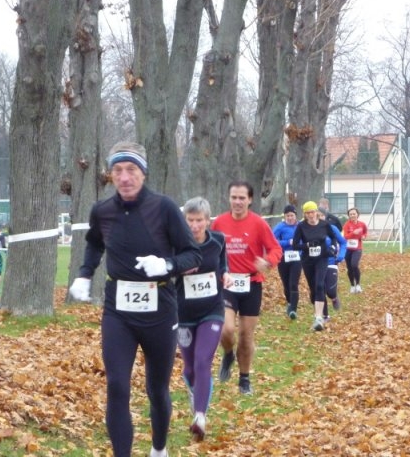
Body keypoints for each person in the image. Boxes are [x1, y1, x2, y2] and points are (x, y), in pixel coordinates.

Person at [68, 141, 202, 457]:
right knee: (117, 385)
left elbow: (193, 255)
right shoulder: (102, 211)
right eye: (118, 170)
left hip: (160, 310)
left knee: (157, 389)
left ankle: (159, 448)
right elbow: (94, 243)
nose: (125, 177)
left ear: (143, 173)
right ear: (111, 174)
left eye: (131, 169)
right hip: (119, 312)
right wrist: (85, 273)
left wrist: (166, 265)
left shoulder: (164, 208)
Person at [211, 181, 282, 395]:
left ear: (250, 200)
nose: (238, 202)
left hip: (252, 283)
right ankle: (228, 353)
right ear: (229, 198)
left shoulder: (258, 223)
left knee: (246, 335)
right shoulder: (219, 223)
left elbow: (276, 249)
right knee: (226, 329)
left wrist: (268, 261)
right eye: (234, 197)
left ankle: (244, 378)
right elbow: (209, 249)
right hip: (227, 283)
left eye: (242, 198)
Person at [177, 196, 233, 441]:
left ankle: (200, 416)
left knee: (203, 361)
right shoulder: (177, 244)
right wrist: (179, 268)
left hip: (212, 310)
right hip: (183, 314)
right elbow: (167, 272)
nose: (194, 225)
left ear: (208, 220)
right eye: (190, 220)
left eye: (199, 220)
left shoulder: (218, 240)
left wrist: (226, 275)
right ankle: (195, 392)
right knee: (190, 368)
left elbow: (222, 264)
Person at [292, 201, 345, 331]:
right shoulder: (301, 226)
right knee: (313, 289)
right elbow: (295, 245)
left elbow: (333, 238)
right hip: (308, 261)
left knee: (320, 285)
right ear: (304, 214)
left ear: (316, 212)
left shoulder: (324, 225)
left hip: (322, 258)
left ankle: (319, 318)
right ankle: (318, 314)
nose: (310, 215)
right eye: (307, 213)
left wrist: (332, 248)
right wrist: (307, 245)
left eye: (312, 212)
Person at [272, 204, 302, 320]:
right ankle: (290, 302)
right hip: (283, 258)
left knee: (293, 283)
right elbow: (272, 241)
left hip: (297, 258)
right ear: (284, 216)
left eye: (292, 215)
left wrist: (300, 247)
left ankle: (293, 309)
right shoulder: (280, 227)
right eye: (287, 216)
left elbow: (306, 239)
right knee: (286, 283)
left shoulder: (300, 226)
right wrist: (287, 242)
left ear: (295, 216)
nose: (290, 218)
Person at [317, 209, 347, 320]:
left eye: (321, 215)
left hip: (331, 262)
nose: (319, 218)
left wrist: (341, 255)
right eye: (317, 215)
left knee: (330, 291)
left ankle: (334, 297)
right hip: (316, 263)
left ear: (325, 217)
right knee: (320, 288)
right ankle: (325, 316)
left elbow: (343, 242)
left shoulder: (332, 228)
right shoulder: (309, 229)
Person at [343, 207, 368, 293]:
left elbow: (365, 232)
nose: (352, 215)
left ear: (357, 214)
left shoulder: (362, 224)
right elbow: (345, 237)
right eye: (350, 214)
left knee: (354, 265)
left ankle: (358, 284)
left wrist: (364, 236)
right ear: (349, 216)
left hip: (357, 248)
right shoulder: (346, 225)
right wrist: (353, 233)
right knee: (349, 268)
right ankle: (352, 285)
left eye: (354, 214)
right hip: (348, 249)